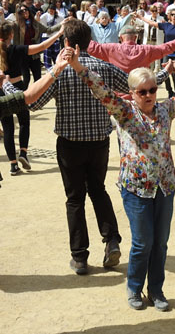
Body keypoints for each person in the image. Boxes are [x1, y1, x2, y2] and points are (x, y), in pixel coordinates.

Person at [63, 42, 175, 311]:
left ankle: (157, 290)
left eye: (153, 90)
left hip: (165, 187)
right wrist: (76, 64)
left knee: (160, 243)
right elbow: (99, 88)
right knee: (143, 242)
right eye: (143, 91)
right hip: (136, 189)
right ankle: (134, 288)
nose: (149, 95)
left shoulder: (165, 110)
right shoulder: (124, 112)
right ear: (132, 93)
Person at [23, 19, 127, 275]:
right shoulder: (104, 67)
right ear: (90, 42)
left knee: (74, 199)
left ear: (66, 43)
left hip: (70, 143)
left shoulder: (60, 70)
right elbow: (130, 85)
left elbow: (34, 104)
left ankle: (80, 256)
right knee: (98, 190)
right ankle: (111, 238)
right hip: (99, 141)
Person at [0, 21, 64, 175]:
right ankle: (22, 152)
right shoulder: (16, 49)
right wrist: (60, 32)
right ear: (12, 35)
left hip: (1, 90)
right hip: (18, 87)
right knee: (24, 123)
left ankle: (13, 165)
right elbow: (42, 47)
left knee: (8, 127)